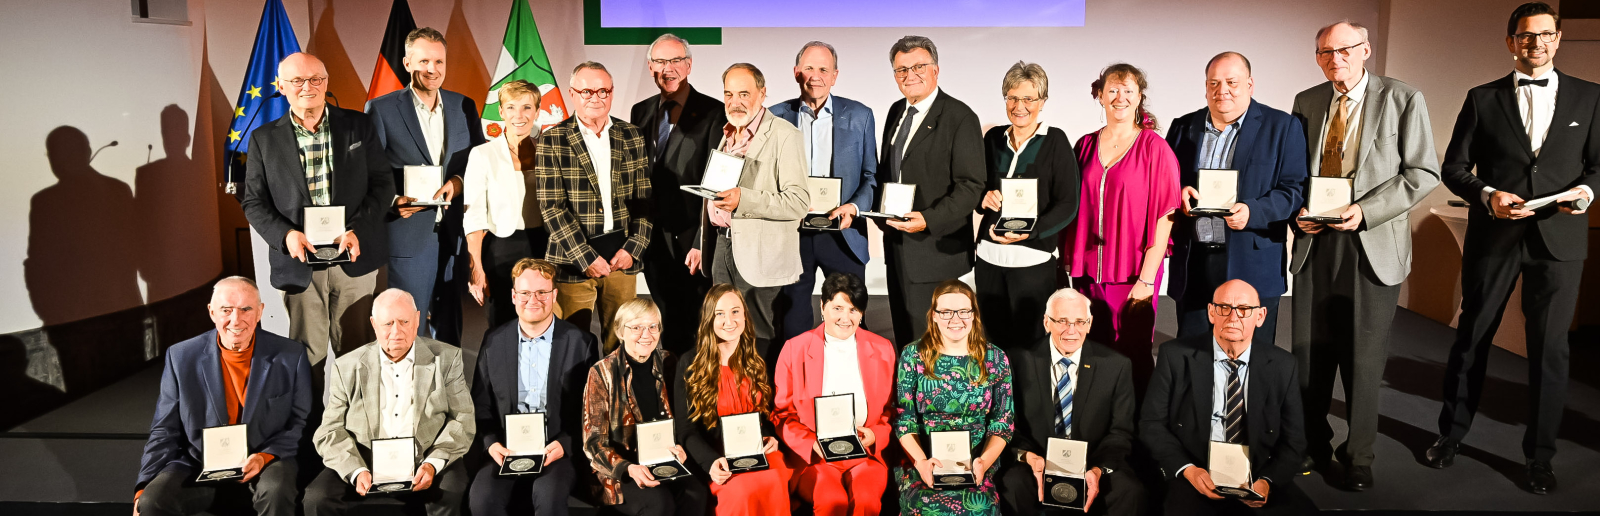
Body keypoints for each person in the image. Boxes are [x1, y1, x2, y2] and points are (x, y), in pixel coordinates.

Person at [1431, 2, 1598, 495]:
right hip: (1495, 236)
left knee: (1550, 351)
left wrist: (1586, 194)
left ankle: (1540, 457)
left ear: (1559, 38)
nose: (1536, 43)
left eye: (1546, 34)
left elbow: (1597, 167)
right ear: (1511, 42)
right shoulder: (1482, 98)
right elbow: (1454, 168)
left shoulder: (1591, 98)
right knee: (1473, 337)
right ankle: (1450, 435)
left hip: (1560, 241)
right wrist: (1488, 195)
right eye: (1526, 36)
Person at [1288, 21, 1441, 490]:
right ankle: (1313, 443)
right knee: (1309, 353)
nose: (1336, 59)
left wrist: (1364, 210)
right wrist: (1298, 213)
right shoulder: (1307, 101)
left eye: (1345, 50)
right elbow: (1294, 172)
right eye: (1325, 52)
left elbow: (1423, 172)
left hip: (1370, 242)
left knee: (1364, 357)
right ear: (1317, 57)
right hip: (1317, 243)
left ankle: (1359, 455)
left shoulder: (1403, 98)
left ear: (1366, 50)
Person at [241, 52, 393, 366]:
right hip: (298, 263)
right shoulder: (262, 139)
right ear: (281, 86)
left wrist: (358, 230)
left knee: (358, 354)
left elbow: (383, 185)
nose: (307, 86)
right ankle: (311, 418)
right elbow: (253, 201)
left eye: (316, 79)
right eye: (297, 80)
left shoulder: (359, 126)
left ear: (326, 82)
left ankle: (357, 417)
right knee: (307, 357)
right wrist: (286, 236)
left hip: (352, 256)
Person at [134, 277, 312, 516]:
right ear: (212, 312)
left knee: (276, 489)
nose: (235, 320)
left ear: (260, 312)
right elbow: (164, 429)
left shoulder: (291, 355)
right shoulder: (181, 357)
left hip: (265, 457)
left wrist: (264, 456)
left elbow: (300, 421)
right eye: (226, 310)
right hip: (198, 459)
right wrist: (143, 485)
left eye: (246, 309)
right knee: (151, 502)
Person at [1166, 52, 1308, 348]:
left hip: (1251, 259)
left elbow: (1294, 189)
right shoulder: (1183, 126)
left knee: (1250, 360)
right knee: (1191, 356)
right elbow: (1166, 182)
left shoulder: (1281, 127)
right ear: (1205, 86)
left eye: (1232, 82)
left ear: (1250, 84)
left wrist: (1253, 211)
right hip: (1196, 261)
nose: (1222, 90)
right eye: (1214, 83)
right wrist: (1178, 192)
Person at [1139, 280, 1315, 515]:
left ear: (1261, 316)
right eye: (1224, 307)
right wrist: (1188, 469)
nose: (1233, 317)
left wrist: (1267, 481)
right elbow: (1151, 424)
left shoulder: (1283, 365)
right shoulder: (1175, 355)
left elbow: (1295, 442)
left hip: (1258, 472)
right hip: (1195, 469)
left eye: (1244, 309)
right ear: (1211, 312)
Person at [1062, 63, 1181, 399]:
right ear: (1099, 95)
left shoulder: (1154, 148)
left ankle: (1142, 436)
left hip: (1133, 274)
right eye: (1112, 89)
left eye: (1128, 90)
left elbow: (1166, 217)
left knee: (1133, 356)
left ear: (1139, 96)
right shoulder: (1084, 145)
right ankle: (1101, 431)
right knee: (1093, 355)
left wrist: (1146, 279)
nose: (1120, 97)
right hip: (1088, 273)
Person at [304, 289, 475, 516]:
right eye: (388, 324)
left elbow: (462, 418)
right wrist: (356, 470)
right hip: (365, 460)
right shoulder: (347, 366)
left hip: (425, 458)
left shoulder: (446, 359)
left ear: (417, 319)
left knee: (452, 491)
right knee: (317, 498)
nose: (397, 331)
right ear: (374, 324)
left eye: (404, 321)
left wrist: (432, 463)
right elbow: (330, 430)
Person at [365, 27, 485, 344]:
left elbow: (478, 164)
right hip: (409, 236)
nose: (432, 70)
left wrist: (457, 184)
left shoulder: (464, 106)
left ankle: (446, 392)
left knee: (451, 328)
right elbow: (369, 171)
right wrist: (393, 201)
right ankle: (408, 392)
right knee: (408, 327)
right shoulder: (381, 109)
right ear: (406, 63)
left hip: (455, 236)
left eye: (438, 62)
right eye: (423, 62)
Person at [877, 36, 985, 348]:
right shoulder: (897, 111)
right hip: (898, 246)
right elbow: (890, 172)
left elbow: (971, 186)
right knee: (907, 343)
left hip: (937, 252)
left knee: (937, 348)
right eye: (901, 70)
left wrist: (928, 219)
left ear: (935, 70)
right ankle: (908, 399)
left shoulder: (959, 117)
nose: (910, 75)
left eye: (918, 67)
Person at [996, 288, 1144, 516]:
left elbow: (1120, 431)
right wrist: (1027, 456)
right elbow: (1008, 423)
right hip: (1037, 461)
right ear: (1046, 322)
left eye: (1079, 322)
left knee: (1129, 490)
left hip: (1093, 462)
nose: (1071, 331)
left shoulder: (1116, 365)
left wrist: (1096, 469)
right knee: (1013, 483)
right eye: (1062, 321)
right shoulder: (1017, 360)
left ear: (1090, 323)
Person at [768, 41, 879, 345]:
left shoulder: (860, 116)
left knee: (850, 320)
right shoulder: (774, 116)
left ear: (835, 75)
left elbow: (871, 177)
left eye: (823, 69)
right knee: (790, 323)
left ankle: (854, 388)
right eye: (808, 68)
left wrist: (854, 208)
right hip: (792, 233)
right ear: (795, 72)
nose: (815, 76)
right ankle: (796, 388)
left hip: (843, 233)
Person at [469, 259, 599, 516]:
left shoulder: (581, 343)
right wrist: (491, 443)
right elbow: (480, 403)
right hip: (505, 447)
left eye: (542, 292)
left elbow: (591, 411)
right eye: (526, 293)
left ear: (554, 295)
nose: (534, 299)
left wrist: (565, 443)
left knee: (549, 501)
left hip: (556, 448)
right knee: (482, 501)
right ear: (514, 296)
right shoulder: (494, 340)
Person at [536, 61, 653, 347]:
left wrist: (634, 247)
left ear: (612, 93)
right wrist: (586, 258)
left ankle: (617, 392)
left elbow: (645, 200)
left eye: (603, 91)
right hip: (573, 263)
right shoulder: (553, 139)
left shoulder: (632, 135)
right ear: (573, 94)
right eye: (587, 91)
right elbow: (552, 207)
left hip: (621, 262)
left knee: (623, 342)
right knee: (571, 344)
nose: (595, 98)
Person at [694, 63, 809, 346]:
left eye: (744, 94)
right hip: (722, 246)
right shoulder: (728, 134)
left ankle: (761, 392)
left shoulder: (784, 134)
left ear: (762, 93)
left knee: (758, 336)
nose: (735, 102)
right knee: (724, 333)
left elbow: (798, 202)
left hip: (760, 255)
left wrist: (744, 199)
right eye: (729, 94)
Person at [631, 33, 727, 355]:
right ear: (650, 67)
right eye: (660, 61)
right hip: (652, 239)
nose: (667, 68)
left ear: (688, 65)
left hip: (690, 242)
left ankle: (695, 393)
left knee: (694, 325)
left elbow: (716, 185)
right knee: (665, 322)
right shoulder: (640, 112)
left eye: (675, 61)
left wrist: (703, 240)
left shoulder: (714, 112)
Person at [974, 61, 1080, 352]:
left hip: (1032, 262)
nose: (1019, 106)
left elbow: (1068, 204)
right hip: (989, 259)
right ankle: (999, 398)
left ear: (1042, 102)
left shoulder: (1055, 140)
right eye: (1012, 98)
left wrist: (1031, 233)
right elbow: (973, 186)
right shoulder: (992, 138)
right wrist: (982, 198)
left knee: (1032, 347)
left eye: (1028, 99)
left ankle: (1029, 399)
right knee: (993, 345)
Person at [774, 272, 894, 516]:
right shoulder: (794, 349)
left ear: (862, 313)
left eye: (853, 309)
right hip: (815, 458)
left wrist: (875, 434)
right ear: (822, 306)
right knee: (831, 502)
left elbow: (892, 411)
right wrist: (810, 444)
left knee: (867, 501)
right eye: (837, 308)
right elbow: (782, 414)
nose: (845, 318)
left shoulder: (882, 349)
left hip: (865, 455)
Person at [892, 280, 1014, 515]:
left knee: (980, 508)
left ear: (974, 315)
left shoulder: (995, 358)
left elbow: (1003, 421)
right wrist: (921, 462)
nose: (955, 319)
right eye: (946, 312)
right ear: (934, 316)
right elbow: (904, 418)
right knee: (925, 506)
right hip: (924, 457)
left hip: (976, 459)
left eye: (963, 311)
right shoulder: (913, 355)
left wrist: (984, 463)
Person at [580, 298, 709, 516]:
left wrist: (680, 447)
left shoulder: (669, 361)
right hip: (620, 471)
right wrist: (628, 468)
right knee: (659, 503)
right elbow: (593, 443)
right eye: (637, 327)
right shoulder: (602, 373)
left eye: (652, 326)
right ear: (620, 331)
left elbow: (683, 420)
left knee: (696, 493)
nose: (646, 334)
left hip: (664, 461)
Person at [673, 284, 794, 514]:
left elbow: (772, 412)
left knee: (774, 479)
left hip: (760, 452)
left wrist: (770, 437)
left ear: (745, 315)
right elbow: (686, 429)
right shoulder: (690, 362)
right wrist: (710, 462)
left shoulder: (764, 352)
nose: (729, 321)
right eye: (720, 314)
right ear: (709, 318)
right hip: (720, 457)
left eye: (735, 311)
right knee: (741, 492)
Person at [463, 80, 548, 329]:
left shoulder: (549, 151)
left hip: (544, 246)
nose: (518, 116)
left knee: (542, 320)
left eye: (526, 108)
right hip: (501, 250)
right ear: (500, 112)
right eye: (511, 108)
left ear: (537, 112)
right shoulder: (482, 154)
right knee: (503, 324)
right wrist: (476, 267)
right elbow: (474, 216)